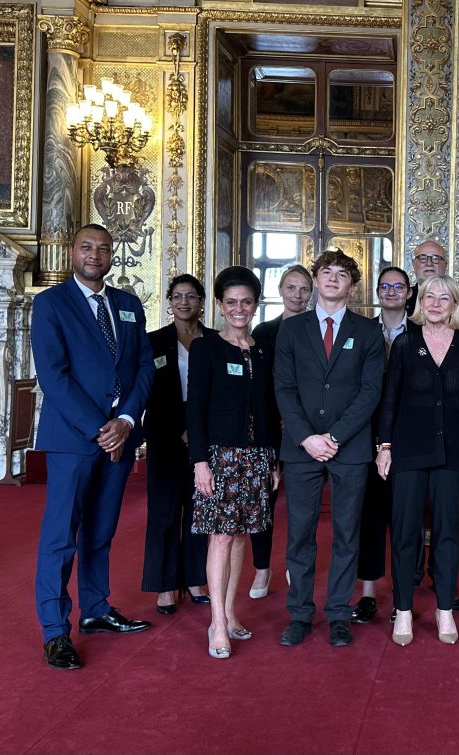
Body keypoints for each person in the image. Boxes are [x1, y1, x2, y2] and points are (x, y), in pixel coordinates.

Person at [32, 223, 155, 670]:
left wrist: (125, 421)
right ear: (72, 251)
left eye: (103, 248)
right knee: (61, 536)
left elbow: (144, 366)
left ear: (112, 254)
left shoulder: (126, 304)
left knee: (101, 532)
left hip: (119, 438)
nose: (95, 254)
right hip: (75, 440)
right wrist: (100, 428)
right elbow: (54, 376)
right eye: (86, 247)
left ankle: (97, 609)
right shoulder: (50, 304)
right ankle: (54, 630)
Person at [273, 250, 385, 648]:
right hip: (301, 448)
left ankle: (339, 612)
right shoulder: (292, 329)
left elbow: (371, 392)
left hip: (350, 448)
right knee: (300, 535)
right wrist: (307, 437)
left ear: (352, 286)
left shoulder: (368, 332)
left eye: (342, 274)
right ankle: (300, 613)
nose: (334, 279)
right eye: (327, 272)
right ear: (316, 281)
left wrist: (334, 437)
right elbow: (283, 389)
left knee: (345, 534)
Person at [376, 276, 459, 646]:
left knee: (445, 533)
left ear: (455, 305)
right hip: (409, 450)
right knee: (406, 531)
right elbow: (390, 400)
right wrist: (385, 447)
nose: (437, 303)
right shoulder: (405, 344)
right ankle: (405, 611)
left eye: (445, 298)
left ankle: (444, 610)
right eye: (430, 297)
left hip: (453, 453)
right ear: (419, 302)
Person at [188, 267, 281, 659]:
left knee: (242, 534)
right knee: (221, 536)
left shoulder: (262, 350)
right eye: (231, 302)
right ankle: (216, 623)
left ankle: (229, 611)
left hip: (257, 457)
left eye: (246, 301)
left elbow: (270, 408)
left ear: (255, 305)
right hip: (219, 458)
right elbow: (195, 408)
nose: (239, 309)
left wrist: (273, 459)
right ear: (220, 306)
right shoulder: (207, 348)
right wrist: (199, 462)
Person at [142, 274, 213, 615]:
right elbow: (146, 392)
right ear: (169, 302)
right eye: (178, 296)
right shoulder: (152, 342)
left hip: (206, 437)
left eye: (192, 296)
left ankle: (195, 578)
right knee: (165, 511)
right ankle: (165, 584)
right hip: (164, 435)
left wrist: (196, 430)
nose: (184, 302)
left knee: (200, 511)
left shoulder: (215, 341)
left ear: (202, 302)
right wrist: (178, 430)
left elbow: (222, 395)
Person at [348, 265, 412, 625]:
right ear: (377, 291)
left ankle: (405, 595)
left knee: (406, 522)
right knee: (369, 519)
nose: (391, 291)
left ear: (408, 292)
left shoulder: (420, 331)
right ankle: (369, 594)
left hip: (409, 439)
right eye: (385, 286)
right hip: (367, 439)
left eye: (398, 286)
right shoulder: (361, 331)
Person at [248, 264, 313, 599]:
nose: (297, 295)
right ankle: (262, 567)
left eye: (304, 289)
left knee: (303, 503)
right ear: (281, 290)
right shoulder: (264, 331)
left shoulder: (320, 328)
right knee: (264, 499)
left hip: (308, 427)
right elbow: (258, 383)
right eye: (291, 288)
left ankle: (296, 562)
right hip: (271, 425)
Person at [405, 239, 459, 346]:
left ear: (445, 264)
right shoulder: (403, 300)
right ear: (413, 264)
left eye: (436, 258)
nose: (429, 263)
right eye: (422, 258)